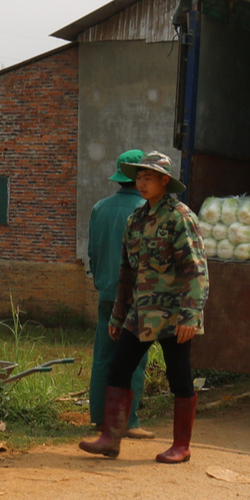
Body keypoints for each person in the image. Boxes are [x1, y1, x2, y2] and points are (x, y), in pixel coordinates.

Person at [80, 151, 208, 464]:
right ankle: (110, 438)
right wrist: (118, 315)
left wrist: (190, 315)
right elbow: (127, 272)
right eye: (139, 177)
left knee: (179, 376)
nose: (141, 183)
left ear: (165, 181)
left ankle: (181, 445)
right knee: (120, 368)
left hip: (174, 313)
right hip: (140, 313)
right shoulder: (135, 220)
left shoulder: (180, 217)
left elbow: (196, 270)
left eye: (148, 177)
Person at [85, 149, 154, 440]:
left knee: (103, 354)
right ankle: (129, 421)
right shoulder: (144, 211)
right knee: (134, 359)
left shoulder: (100, 208)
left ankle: (100, 416)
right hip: (135, 296)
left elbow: (92, 253)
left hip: (105, 293)